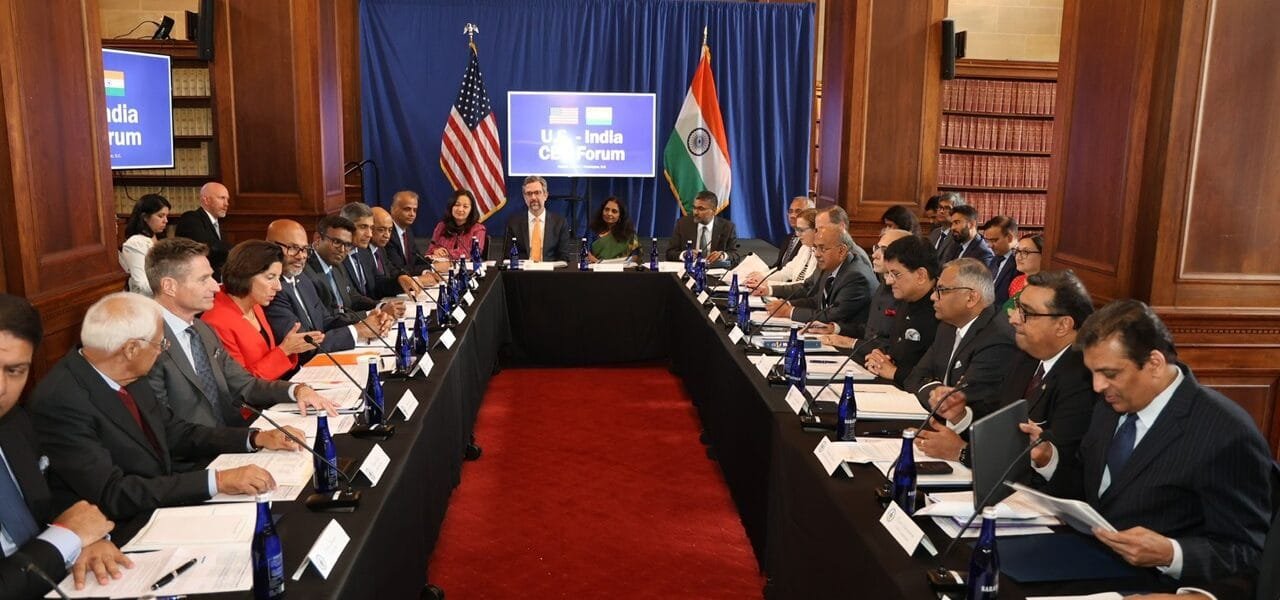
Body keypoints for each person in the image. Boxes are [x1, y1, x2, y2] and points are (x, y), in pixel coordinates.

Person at [1020, 300, 1273, 583]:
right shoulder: (1108, 406)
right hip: (1085, 562)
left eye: (1110, 374)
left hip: (1157, 584)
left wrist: (1171, 553)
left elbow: (1249, 552)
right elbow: (1092, 489)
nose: (1097, 386)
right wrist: (1048, 459)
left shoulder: (1226, 433)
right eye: (1093, 373)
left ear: (1154, 363)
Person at [28, 292, 306, 520]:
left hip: (164, 494)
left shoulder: (127, 372)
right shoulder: (62, 401)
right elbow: (112, 492)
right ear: (131, 349)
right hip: (126, 523)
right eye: (160, 342)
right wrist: (215, 482)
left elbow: (173, 432)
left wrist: (255, 438)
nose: (163, 350)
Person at [0, 294, 133, 596]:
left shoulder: (15, 423)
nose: (1, 388)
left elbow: (48, 497)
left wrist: (90, 540)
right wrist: (67, 538)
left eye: (14, 370)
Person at [915, 270, 1098, 474]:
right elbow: (999, 428)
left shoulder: (1084, 378)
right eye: (1017, 307)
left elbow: (1064, 472)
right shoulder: (1027, 358)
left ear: (1063, 325)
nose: (1013, 318)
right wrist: (960, 416)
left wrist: (963, 452)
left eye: (1026, 312)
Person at [145, 238, 336, 428]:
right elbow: (169, 430)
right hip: (205, 448)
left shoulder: (202, 330)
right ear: (169, 286)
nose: (215, 286)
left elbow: (245, 384)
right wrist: (250, 440)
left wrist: (296, 390)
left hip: (234, 433)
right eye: (204, 279)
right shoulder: (145, 344)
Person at [903, 257, 1017, 419]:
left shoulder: (998, 339)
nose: (933, 297)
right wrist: (937, 391)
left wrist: (934, 391)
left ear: (971, 298)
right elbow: (914, 378)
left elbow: (966, 402)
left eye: (942, 290)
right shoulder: (947, 326)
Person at [264, 220, 393, 361]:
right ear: (270, 247)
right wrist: (357, 331)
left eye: (304, 249)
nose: (301, 256)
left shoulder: (302, 279)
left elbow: (326, 321)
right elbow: (304, 346)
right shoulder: (273, 291)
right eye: (293, 248)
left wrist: (369, 321)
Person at [201, 241, 322, 381]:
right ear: (244, 274)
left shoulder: (255, 304)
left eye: (279, 277)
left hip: (273, 389)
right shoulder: (216, 321)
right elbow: (242, 384)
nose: (278, 287)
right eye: (270, 277)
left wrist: (292, 348)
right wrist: (284, 350)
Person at [839, 235, 941, 389]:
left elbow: (935, 376)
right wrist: (880, 358)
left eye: (896, 274)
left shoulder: (941, 310)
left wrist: (895, 371)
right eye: (888, 274)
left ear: (921, 275)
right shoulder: (906, 300)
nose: (889, 281)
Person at [761, 226, 878, 332]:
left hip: (852, 340)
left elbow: (832, 315)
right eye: (815, 248)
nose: (816, 254)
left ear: (841, 251)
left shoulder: (856, 276)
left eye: (822, 248)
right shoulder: (831, 265)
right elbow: (818, 301)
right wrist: (787, 304)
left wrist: (789, 312)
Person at [804, 227, 911, 339]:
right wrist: (835, 329)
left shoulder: (904, 292)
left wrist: (848, 343)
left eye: (884, 250)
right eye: (877, 248)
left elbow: (889, 342)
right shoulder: (883, 285)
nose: (874, 255)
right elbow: (869, 330)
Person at [305, 215, 377, 314]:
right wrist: (368, 315)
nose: (342, 250)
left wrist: (380, 306)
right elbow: (328, 317)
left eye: (347, 245)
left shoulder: (338, 265)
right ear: (318, 238)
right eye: (337, 242)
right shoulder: (306, 270)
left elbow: (352, 297)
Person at [367, 206, 439, 297]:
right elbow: (376, 287)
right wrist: (417, 280)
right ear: (369, 228)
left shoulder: (380, 249)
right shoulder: (364, 253)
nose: (387, 235)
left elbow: (394, 272)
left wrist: (412, 280)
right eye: (381, 230)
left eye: (389, 230)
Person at [503, 176, 572, 263]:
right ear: (524, 197)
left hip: (549, 273)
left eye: (537, 192)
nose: (533, 197)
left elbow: (564, 257)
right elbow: (507, 257)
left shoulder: (560, 223)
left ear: (545, 195)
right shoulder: (513, 223)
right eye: (529, 193)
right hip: (523, 274)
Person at [665, 190, 741, 268]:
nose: (695, 212)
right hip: (689, 272)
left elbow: (735, 255)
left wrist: (722, 256)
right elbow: (670, 253)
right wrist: (684, 254)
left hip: (714, 273)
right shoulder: (683, 224)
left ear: (714, 211)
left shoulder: (727, 227)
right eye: (694, 208)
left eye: (701, 209)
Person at [745, 208, 818, 288]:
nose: (797, 234)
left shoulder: (821, 255)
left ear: (816, 230)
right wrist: (761, 279)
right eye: (797, 229)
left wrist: (768, 285)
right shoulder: (805, 248)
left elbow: (804, 287)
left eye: (801, 230)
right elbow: (786, 272)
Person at [173, 181, 231, 280]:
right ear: (206, 200)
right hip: (196, 280)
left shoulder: (217, 224)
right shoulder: (191, 218)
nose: (226, 204)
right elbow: (207, 247)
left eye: (227, 199)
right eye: (222, 198)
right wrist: (238, 251)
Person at [118, 193, 171, 295]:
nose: (166, 220)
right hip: (147, 302)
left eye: (166, 216)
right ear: (145, 217)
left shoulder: (159, 239)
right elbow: (141, 284)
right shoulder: (135, 243)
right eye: (161, 216)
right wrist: (175, 289)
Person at [428, 189, 487, 263]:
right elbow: (430, 250)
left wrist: (448, 253)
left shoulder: (478, 229)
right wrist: (435, 251)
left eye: (465, 206)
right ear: (451, 206)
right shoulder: (441, 226)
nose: (460, 209)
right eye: (457, 205)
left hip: (466, 271)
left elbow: (475, 252)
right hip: (440, 268)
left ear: (471, 210)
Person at [385, 190, 434, 275]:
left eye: (415, 210)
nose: (412, 214)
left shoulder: (407, 231)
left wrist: (435, 262)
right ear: (393, 209)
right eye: (407, 209)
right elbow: (401, 269)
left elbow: (417, 259)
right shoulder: (387, 234)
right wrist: (428, 269)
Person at [982, 215, 1021, 307]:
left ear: (1010, 238)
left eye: (994, 240)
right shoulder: (995, 258)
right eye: (987, 241)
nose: (989, 246)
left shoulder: (1021, 261)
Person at [587, 196, 639, 261]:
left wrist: (619, 264)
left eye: (614, 211)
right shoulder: (593, 230)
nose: (609, 213)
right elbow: (586, 252)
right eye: (606, 209)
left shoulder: (630, 233)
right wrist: (599, 263)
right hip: (597, 267)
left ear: (620, 215)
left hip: (622, 268)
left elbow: (636, 255)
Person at [1004, 234, 1044, 313]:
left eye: (1025, 252)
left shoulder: (1047, 287)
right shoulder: (1016, 281)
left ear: (1043, 255)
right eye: (1017, 251)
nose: (1018, 257)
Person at [773, 196, 815, 269]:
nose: (792, 215)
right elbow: (779, 267)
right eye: (790, 211)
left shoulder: (809, 244)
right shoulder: (788, 238)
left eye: (798, 211)